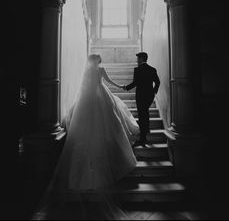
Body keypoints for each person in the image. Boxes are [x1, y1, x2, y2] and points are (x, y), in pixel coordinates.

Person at [33, 54, 139, 220]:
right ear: (98, 61)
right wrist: (120, 86)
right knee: (111, 118)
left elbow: (82, 88)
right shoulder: (100, 70)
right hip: (99, 96)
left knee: (94, 125)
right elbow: (108, 82)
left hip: (87, 99)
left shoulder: (86, 72)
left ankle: (82, 176)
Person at [123, 52, 160, 146]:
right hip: (149, 96)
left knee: (142, 115)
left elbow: (135, 83)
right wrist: (154, 92)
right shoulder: (152, 69)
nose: (137, 60)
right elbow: (157, 82)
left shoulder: (138, 69)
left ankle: (142, 138)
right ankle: (146, 130)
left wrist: (126, 88)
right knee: (145, 112)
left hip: (141, 96)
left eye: (138, 58)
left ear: (142, 59)